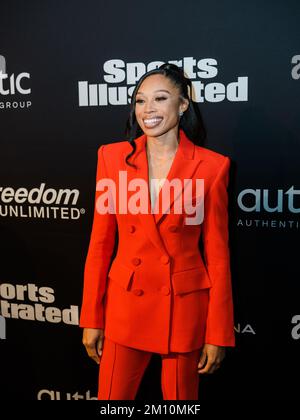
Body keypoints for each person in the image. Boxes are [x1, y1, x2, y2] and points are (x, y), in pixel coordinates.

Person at [79, 63, 235, 400]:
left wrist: (218, 332)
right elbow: (100, 244)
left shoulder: (212, 166)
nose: (147, 110)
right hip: (125, 308)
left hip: (182, 310)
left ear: (182, 105)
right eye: (140, 100)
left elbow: (218, 255)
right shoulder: (111, 158)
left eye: (160, 99)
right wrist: (91, 316)